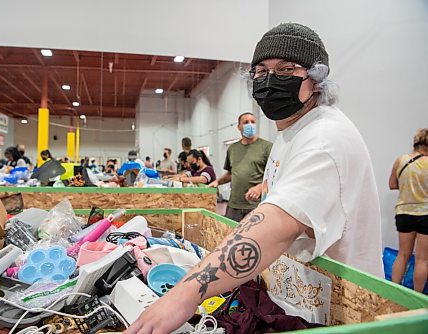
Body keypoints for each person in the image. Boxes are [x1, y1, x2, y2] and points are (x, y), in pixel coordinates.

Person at [126, 23, 384, 333]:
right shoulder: (290, 134)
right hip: (303, 306)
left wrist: (183, 295)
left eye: (287, 70)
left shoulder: (325, 139)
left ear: (315, 79)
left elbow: (275, 225)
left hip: (344, 318)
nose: (271, 80)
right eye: (261, 72)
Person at [209, 113, 273, 222]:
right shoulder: (232, 149)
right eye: (246, 122)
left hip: (256, 206)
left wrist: (259, 187)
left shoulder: (267, 147)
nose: (250, 125)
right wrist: (217, 182)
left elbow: (274, 176)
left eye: (253, 122)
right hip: (234, 205)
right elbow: (231, 173)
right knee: (230, 234)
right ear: (239, 127)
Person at [389, 128, 428, 292]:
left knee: (403, 254)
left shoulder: (401, 160)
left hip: (404, 213)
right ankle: (417, 300)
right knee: (422, 260)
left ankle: (393, 295)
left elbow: (392, 184)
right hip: (426, 214)